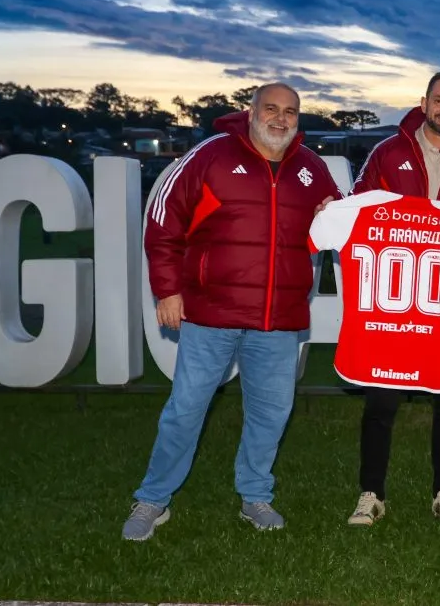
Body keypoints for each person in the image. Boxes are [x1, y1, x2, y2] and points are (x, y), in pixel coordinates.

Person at [123, 83, 342, 541]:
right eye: (272, 109)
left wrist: (331, 213)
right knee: (185, 411)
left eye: (291, 112)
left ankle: (255, 496)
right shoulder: (212, 155)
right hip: (211, 314)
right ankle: (152, 499)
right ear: (251, 111)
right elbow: (164, 223)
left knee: (271, 414)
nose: (281, 119)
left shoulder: (312, 168)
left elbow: (337, 224)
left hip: (278, 320)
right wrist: (167, 290)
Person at [347, 70, 440, 526]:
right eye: (438, 100)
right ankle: (371, 492)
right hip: (394, 301)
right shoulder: (387, 152)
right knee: (382, 400)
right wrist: (336, 210)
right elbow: (358, 204)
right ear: (425, 102)